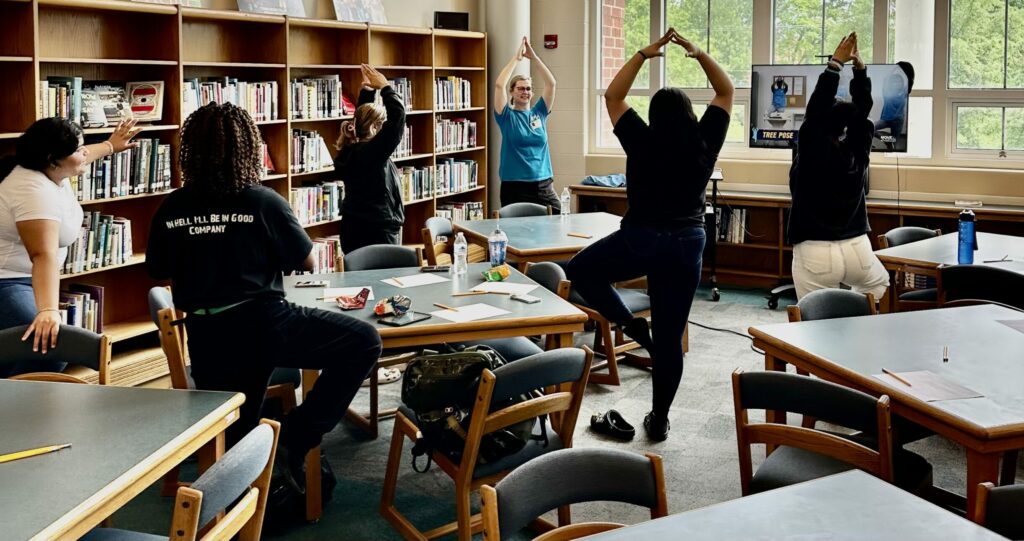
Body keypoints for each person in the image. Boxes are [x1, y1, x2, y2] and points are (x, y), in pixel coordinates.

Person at [146, 102, 382, 493]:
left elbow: (157, 267)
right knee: (364, 342)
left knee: (239, 435)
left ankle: (239, 503)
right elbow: (305, 261)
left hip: (207, 335)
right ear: (247, 149)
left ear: (190, 152)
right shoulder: (262, 201)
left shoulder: (172, 206)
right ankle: (295, 435)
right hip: (264, 324)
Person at [566, 29, 733, 441]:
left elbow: (612, 96)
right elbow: (726, 90)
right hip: (687, 243)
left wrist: (644, 53)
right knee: (671, 336)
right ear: (690, 114)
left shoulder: (641, 138)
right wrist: (698, 53)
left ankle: (630, 326)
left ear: (654, 116)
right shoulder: (704, 140)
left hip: (642, 237)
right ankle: (659, 419)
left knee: (582, 271)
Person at [0, 117, 140, 374]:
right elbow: (43, 254)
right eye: (78, 149)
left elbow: (85, 155)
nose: (85, 152)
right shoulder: (32, 189)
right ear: (53, 158)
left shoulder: (52, 169)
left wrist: (110, 145)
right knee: (52, 347)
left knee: (49, 347)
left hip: (27, 281)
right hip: (8, 281)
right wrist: (49, 310)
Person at [788, 32, 889, 301]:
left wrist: (835, 64)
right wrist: (860, 71)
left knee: (815, 327)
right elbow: (862, 111)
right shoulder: (858, 150)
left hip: (815, 251)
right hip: (857, 248)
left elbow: (815, 109)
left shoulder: (812, 149)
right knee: (879, 288)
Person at [334, 64, 406, 254]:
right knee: (385, 281)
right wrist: (385, 88)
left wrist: (367, 92)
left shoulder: (350, 150)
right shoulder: (373, 153)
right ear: (376, 127)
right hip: (378, 231)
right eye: (381, 125)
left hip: (353, 228)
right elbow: (397, 119)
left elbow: (361, 119)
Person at [493, 36, 560, 212]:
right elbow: (499, 85)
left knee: (559, 217)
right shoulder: (506, 116)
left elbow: (551, 84)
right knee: (516, 232)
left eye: (528, 88)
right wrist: (517, 59)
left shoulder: (539, 112)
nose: (525, 92)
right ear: (512, 93)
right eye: (521, 88)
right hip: (514, 186)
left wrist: (534, 57)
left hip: (543, 184)